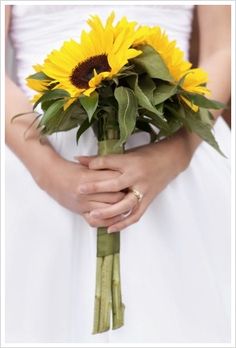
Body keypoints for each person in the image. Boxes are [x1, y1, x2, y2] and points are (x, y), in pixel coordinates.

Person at [5, 4, 231, 343]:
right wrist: (48, 172)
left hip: (178, 150)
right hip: (34, 147)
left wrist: (176, 153)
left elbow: (223, 47)